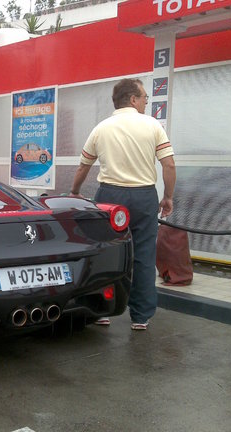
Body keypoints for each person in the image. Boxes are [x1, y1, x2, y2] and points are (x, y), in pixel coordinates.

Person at [69, 78, 176, 331]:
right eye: (144, 98)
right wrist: (168, 196)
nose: (146, 102)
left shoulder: (101, 128)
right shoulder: (152, 126)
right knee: (143, 255)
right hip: (143, 197)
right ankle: (140, 316)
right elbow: (168, 164)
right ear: (133, 99)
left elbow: (84, 165)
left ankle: (101, 311)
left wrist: (74, 192)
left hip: (109, 197)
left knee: (104, 252)